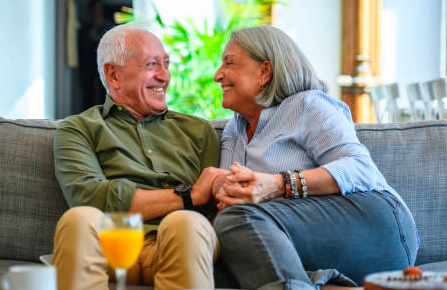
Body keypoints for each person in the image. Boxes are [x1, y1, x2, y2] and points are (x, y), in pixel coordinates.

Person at [211, 25, 419, 290]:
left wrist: (276, 185)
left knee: (240, 218)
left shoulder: (308, 106)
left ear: (265, 71)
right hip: (297, 241)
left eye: (229, 63)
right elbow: (230, 202)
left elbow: (360, 168)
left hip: (375, 222)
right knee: (219, 266)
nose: (218, 75)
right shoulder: (234, 129)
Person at [52, 21, 226, 290]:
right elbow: (90, 197)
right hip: (110, 248)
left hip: (178, 243)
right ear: (113, 75)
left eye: (166, 64)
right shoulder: (79, 129)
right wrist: (188, 196)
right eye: (152, 65)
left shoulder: (199, 131)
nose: (165, 76)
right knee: (79, 218)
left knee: (186, 223)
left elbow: (213, 205)